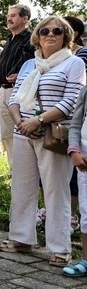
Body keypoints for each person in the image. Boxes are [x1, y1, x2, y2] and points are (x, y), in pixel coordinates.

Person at [2, 16, 85, 266]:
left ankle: (60, 247)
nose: (51, 34)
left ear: (66, 37)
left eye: (57, 31)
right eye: (45, 30)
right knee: (22, 187)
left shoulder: (74, 64)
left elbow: (72, 101)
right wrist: (21, 123)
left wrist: (37, 122)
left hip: (52, 133)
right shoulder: (29, 64)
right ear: (37, 36)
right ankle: (21, 237)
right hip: (23, 132)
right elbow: (14, 97)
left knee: (55, 190)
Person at [0, 4, 35, 162]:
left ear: (25, 19)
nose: (9, 18)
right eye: (8, 15)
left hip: (21, 92)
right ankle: (14, 169)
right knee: (7, 133)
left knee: (21, 131)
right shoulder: (9, 39)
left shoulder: (32, 40)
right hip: (4, 91)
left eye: (13, 15)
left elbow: (38, 64)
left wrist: (22, 75)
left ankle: (27, 167)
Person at [65, 85, 87, 276]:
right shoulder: (86, 90)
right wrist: (74, 151)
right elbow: (76, 123)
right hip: (84, 161)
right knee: (86, 211)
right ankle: (86, 259)